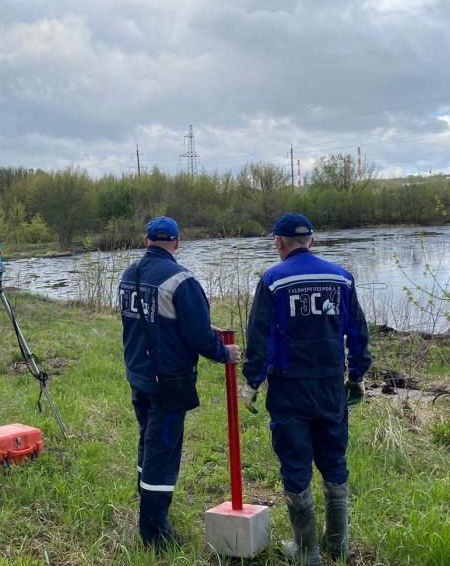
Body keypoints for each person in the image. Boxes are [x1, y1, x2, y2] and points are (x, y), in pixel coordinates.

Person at [241, 213, 372, 565]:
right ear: (312, 240)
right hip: (331, 386)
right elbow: (357, 330)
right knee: (334, 460)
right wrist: (358, 373)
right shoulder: (341, 278)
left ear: (279, 244)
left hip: (289, 388)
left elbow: (260, 337)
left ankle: (307, 552)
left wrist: (252, 382)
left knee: (295, 463)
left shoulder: (272, 280)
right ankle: (339, 549)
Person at [119, 216, 242, 550]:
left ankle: (144, 495)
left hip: (138, 374)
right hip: (168, 382)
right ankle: (154, 533)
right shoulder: (181, 280)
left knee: (147, 440)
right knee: (164, 452)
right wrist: (224, 352)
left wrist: (201, 331)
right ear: (176, 242)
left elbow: (156, 323)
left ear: (147, 241)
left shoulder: (129, 274)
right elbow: (200, 337)